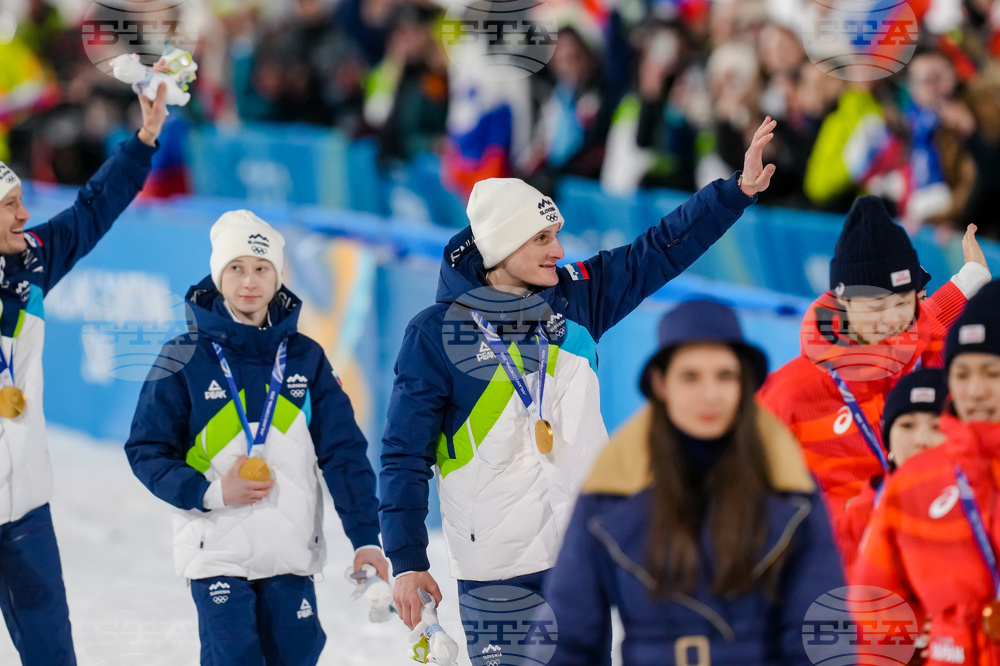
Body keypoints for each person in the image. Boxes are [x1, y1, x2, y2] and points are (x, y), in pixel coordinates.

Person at [378, 117, 779, 658]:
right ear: (503, 247)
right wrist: (406, 560)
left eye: (557, 235)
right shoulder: (434, 334)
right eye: (543, 238)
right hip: (498, 569)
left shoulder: (574, 299)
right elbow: (404, 456)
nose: (559, 251)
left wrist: (735, 193)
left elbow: (658, 249)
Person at [125, 210, 387, 666]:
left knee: (297, 655)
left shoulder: (306, 358)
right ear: (218, 274)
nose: (250, 281)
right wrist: (207, 492)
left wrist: (366, 536)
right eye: (236, 268)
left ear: (279, 276)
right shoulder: (185, 357)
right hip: (216, 552)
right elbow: (147, 449)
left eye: (262, 268)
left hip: (289, 555)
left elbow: (344, 453)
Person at [537, 299, 845, 665]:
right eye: (690, 376)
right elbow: (569, 638)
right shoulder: (612, 489)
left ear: (744, 383)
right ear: (661, 384)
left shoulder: (790, 487)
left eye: (725, 376)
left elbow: (819, 638)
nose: (710, 394)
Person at [0, 84, 167, 665]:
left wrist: (143, 141)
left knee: (54, 655)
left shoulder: (32, 260)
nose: (25, 213)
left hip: (25, 505)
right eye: (9, 205)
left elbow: (92, 209)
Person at [757, 197, 991, 568]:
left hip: (943, 565)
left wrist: (971, 280)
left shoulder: (934, 350)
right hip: (843, 579)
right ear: (843, 303)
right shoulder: (790, 393)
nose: (893, 321)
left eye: (903, 303)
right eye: (876, 308)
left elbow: (931, 319)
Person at [852, 279, 1000, 664]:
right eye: (962, 374)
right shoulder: (914, 483)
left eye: (992, 373)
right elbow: (875, 616)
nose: (976, 391)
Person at [839, 367, 949, 569]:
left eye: (937, 427)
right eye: (907, 425)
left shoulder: (988, 510)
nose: (922, 440)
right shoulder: (852, 525)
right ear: (888, 440)